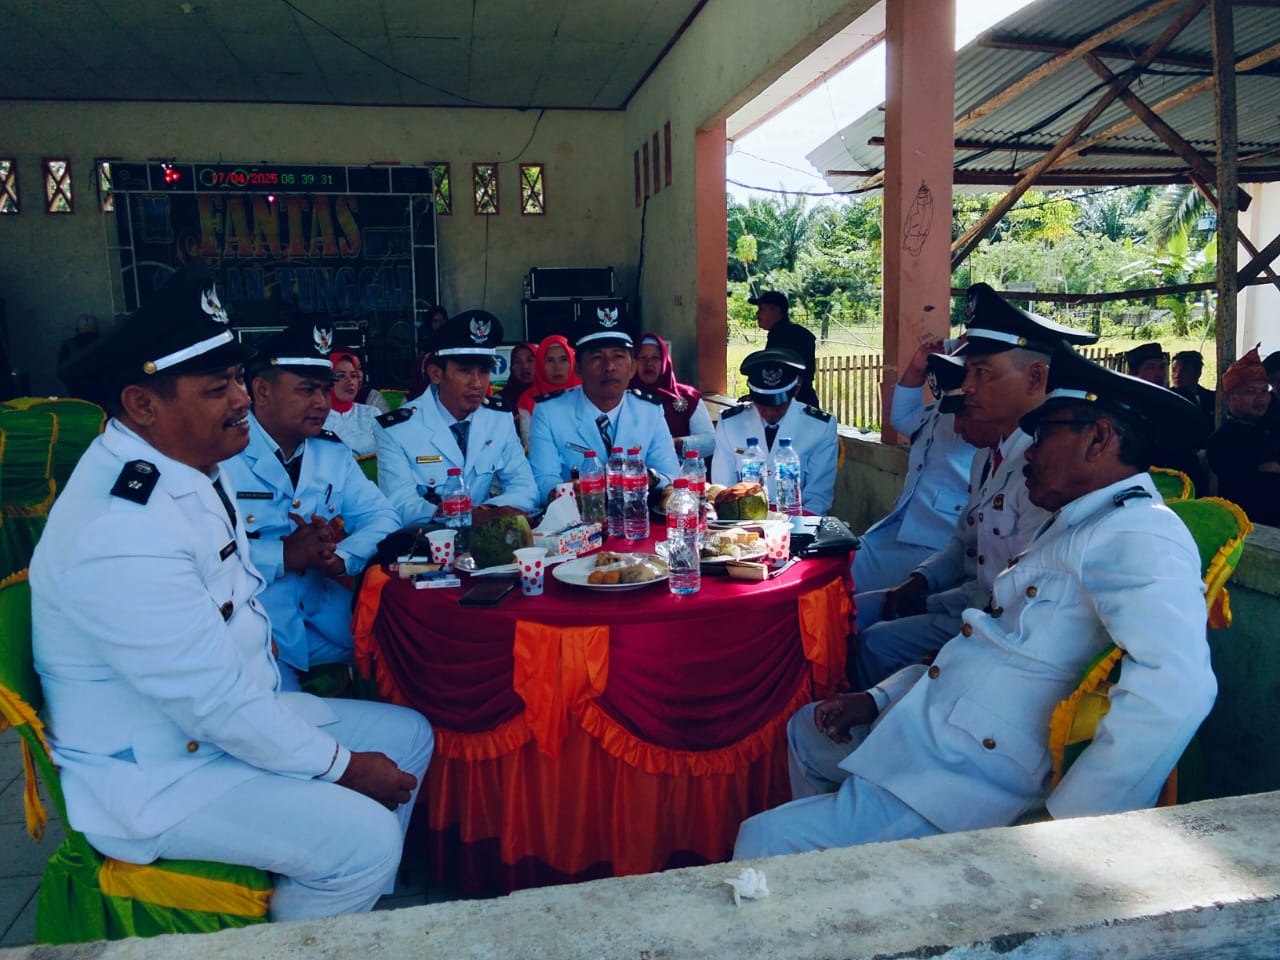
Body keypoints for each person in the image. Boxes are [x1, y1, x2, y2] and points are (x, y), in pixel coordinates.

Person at [30, 264, 434, 922]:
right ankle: (312, 917)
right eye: (219, 388)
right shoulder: (122, 527)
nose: (243, 399)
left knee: (410, 735)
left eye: (240, 380)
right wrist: (343, 767)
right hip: (162, 772)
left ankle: (342, 915)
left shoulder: (186, 466)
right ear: (142, 404)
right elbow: (210, 703)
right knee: (365, 841)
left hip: (222, 721)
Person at [734, 342, 1215, 859]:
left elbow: (1176, 687)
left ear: (1098, 438)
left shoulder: (1141, 531)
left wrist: (1071, 834)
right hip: (937, 733)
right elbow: (984, 645)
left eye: (1044, 435)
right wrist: (879, 699)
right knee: (808, 732)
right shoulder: (1075, 522)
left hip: (966, 777)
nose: (1030, 453)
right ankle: (858, 872)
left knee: (762, 839)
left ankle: (852, 863)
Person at [851, 283, 1095, 687]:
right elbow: (965, 545)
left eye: (981, 372)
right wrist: (921, 582)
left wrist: (957, 651)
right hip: (970, 604)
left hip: (1006, 635)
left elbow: (1026, 598)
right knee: (858, 617)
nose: (968, 387)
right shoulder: (991, 454)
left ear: (1036, 377)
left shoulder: (1049, 468)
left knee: (873, 643)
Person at [219, 323, 401, 689]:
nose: (322, 402)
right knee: (279, 709)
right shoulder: (222, 454)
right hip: (253, 618)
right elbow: (202, 556)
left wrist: (341, 557)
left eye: (324, 389)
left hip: (322, 608)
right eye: (306, 389)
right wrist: (283, 556)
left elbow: (383, 516)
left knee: (409, 650)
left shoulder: (330, 452)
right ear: (262, 390)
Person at [375, 309, 538, 526]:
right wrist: (464, 515)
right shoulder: (397, 429)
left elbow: (525, 487)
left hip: (489, 534)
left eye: (484, 371)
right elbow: (400, 505)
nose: (477, 383)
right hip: (430, 540)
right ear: (435, 374)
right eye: (464, 371)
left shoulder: (498, 417)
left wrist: (486, 512)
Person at [852, 339, 978, 593]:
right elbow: (901, 417)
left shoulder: (981, 417)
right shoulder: (938, 411)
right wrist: (918, 366)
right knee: (832, 570)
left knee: (835, 583)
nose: (952, 346)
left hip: (939, 541)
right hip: (902, 529)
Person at [528, 318, 681, 503]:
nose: (609, 367)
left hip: (637, 515)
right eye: (597, 357)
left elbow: (670, 475)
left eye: (618, 356)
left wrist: (650, 478)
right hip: (574, 514)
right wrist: (569, 491)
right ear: (578, 369)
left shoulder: (649, 410)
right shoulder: (550, 412)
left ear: (633, 367)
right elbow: (543, 480)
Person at [711, 349, 837, 515]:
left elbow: (818, 497)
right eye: (763, 406)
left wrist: (789, 525)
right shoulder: (730, 423)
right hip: (742, 520)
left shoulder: (819, 427)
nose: (770, 413)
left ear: (796, 388)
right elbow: (724, 488)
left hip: (798, 521)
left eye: (778, 406)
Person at [1206, 346, 1280, 526]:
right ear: (1230, 398)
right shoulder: (1221, 441)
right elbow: (1255, 487)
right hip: (1246, 526)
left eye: (1264, 390)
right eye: (1250, 391)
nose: (1260, 398)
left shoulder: (1272, 427)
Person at [630, 332, 715, 458]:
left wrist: (674, 444)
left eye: (656, 358)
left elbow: (711, 441)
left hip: (682, 468)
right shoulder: (622, 396)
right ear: (633, 362)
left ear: (665, 361)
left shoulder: (688, 397)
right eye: (642, 358)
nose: (649, 363)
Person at [750, 290, 820, 408]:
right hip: (799, 400)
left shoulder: (782, 335)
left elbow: (783, 375)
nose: (757, 314)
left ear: (776, 310)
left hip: (792, 402)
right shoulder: (788, 332)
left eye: (761, 309)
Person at [517, 335, 581, 448]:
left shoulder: (588, 394)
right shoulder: (527, 400)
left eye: (563, 359)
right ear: (540, 364)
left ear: (572, 361)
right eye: (550, 360)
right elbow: (531, 444)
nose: (557, 367)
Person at [323, 351, 381, 455]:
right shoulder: (316, 417)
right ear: (327, 381)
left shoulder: (372, 414)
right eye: (341, 376)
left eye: (353, 376)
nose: (350, 381)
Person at [408, 304, 450, 400]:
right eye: (436, 321)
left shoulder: (452, 344)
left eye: (442, 320)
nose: (440, 324)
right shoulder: (426, 350)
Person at [1170, 349, 1216, 429]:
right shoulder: (1169, 398)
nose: (1177, 375)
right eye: (1174, 370)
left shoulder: (1211, 398)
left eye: (1183, 371)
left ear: (1198, 373)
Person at [498, 341, 537, 410]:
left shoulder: (550, 397)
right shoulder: (499, 400)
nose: (525, 366)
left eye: (530, 360)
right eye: (518, 362)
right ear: (511, 368)